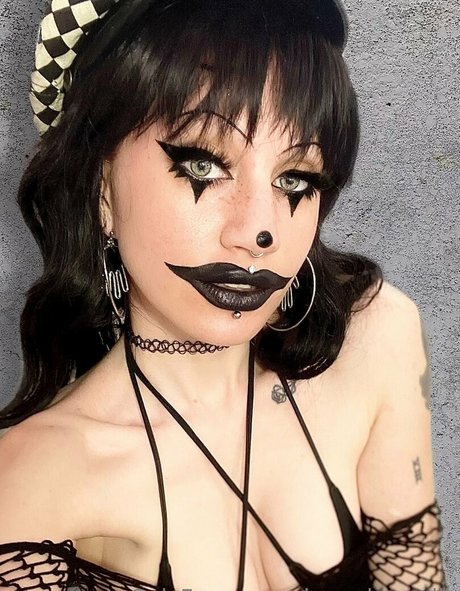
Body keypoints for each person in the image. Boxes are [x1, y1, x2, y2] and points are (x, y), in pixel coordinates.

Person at [0, 0, 446, 589]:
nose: (259, 232)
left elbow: (416, 574)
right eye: (204, 167)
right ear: (101, 188)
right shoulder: (32, 475)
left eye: (294, 179)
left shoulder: (379, 335)